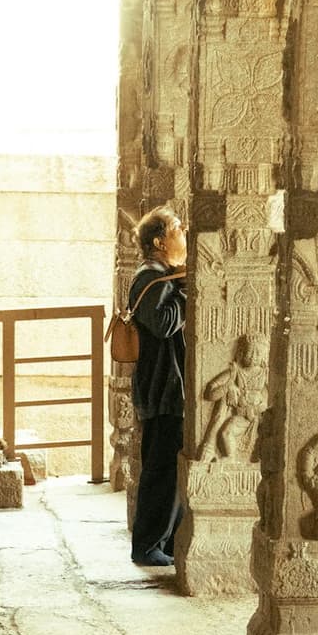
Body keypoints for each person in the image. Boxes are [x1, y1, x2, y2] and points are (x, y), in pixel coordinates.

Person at [129, 205, 188, 568]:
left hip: (169, 386)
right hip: (161, 387)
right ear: (159, 241)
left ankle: (163, 541)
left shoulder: (162, 274)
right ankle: (148, 544)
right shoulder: (149, 276)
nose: (184, 234)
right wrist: (184, 292)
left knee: (169, 467)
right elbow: (163, 324)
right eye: (178, 229)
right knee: (160, 470)